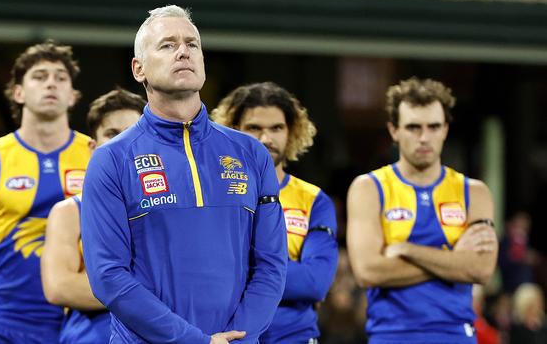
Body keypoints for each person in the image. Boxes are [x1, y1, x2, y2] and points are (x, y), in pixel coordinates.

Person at [80, 5, 288, 344]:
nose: (183, 52)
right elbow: (109, 277)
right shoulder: (111, 160)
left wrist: (239, 338)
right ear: (139, 69)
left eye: (192, 44)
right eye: (167, 45)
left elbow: (271, 265)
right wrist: (193, 340)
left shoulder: (251, 154)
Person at [0, 41, 92, 343]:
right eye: (39, 76)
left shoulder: (99, 158)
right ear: (18, 92)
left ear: (73, 96)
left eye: (61, 77)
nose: (51, 83)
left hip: (82, 322)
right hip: (7, 326)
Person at [346, 77, 499, 344]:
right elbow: (368, 272)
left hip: (456, 334)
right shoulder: (368, 188)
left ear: (446, 129)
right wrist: (454, 259)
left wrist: (408, 250)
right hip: (390, 335)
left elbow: (481, 270)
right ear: (394, 130)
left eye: (434, 126)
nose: (424, 137)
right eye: (413, 127)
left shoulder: (474, 193)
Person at [211, 81, 338, 344]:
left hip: (294, 337)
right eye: (254, 128)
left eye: (276, 128)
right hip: (229, 337)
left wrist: (238, 272)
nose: (266, 139)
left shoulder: (314, 200)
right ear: (233, 131)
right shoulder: (212, 194)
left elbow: (314, 282)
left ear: (292, 132)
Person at [41, 88, 146, 343]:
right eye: (111, 134)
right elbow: (59, 287)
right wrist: (150, 293)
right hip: (91, 335)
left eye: (131, 133)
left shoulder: (168, 208)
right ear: (92, 146)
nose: (122, 143)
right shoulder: (69, 212)